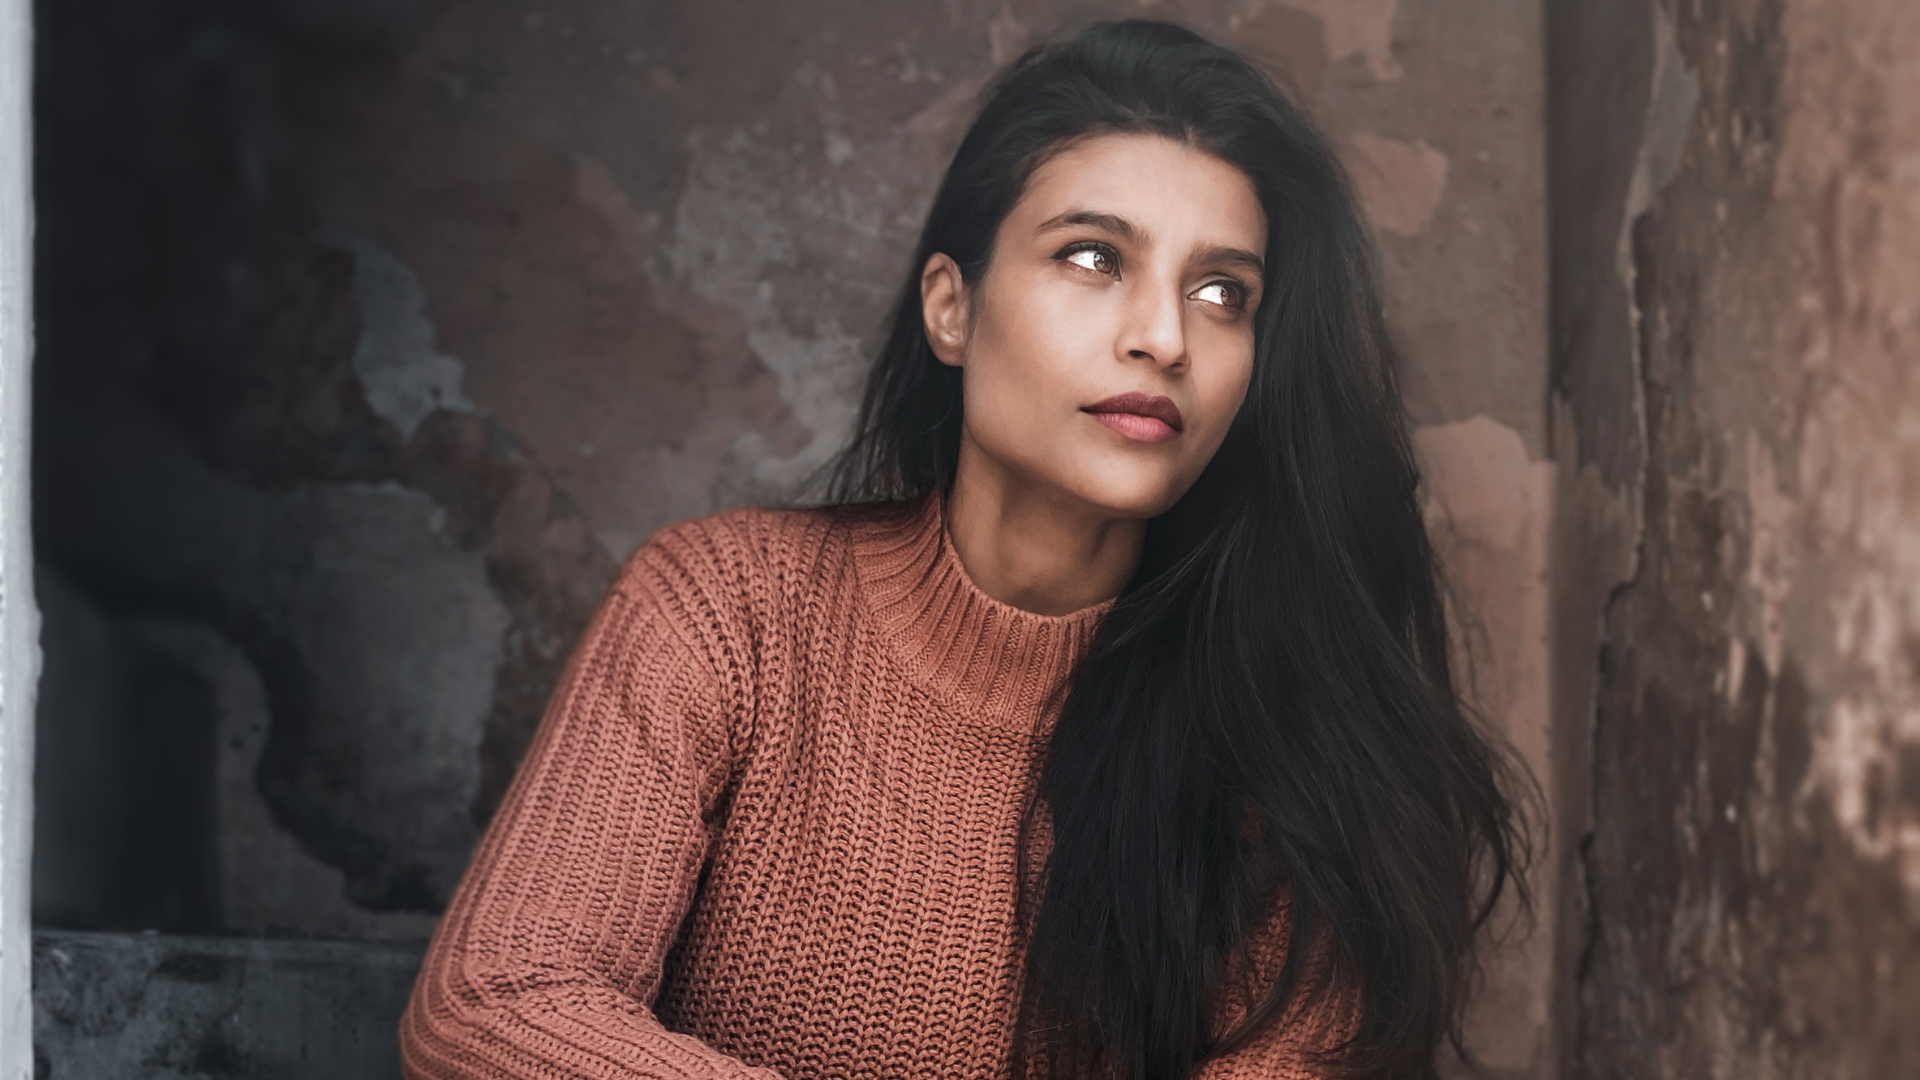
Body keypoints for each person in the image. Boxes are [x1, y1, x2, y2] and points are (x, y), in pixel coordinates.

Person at [400, 19, 1527, 1080]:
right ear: (952, 308)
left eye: (1223, 292)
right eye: (1093, 258)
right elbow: (494, 1007)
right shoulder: (726, 612)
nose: (1165, 335)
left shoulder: (1295, 738)